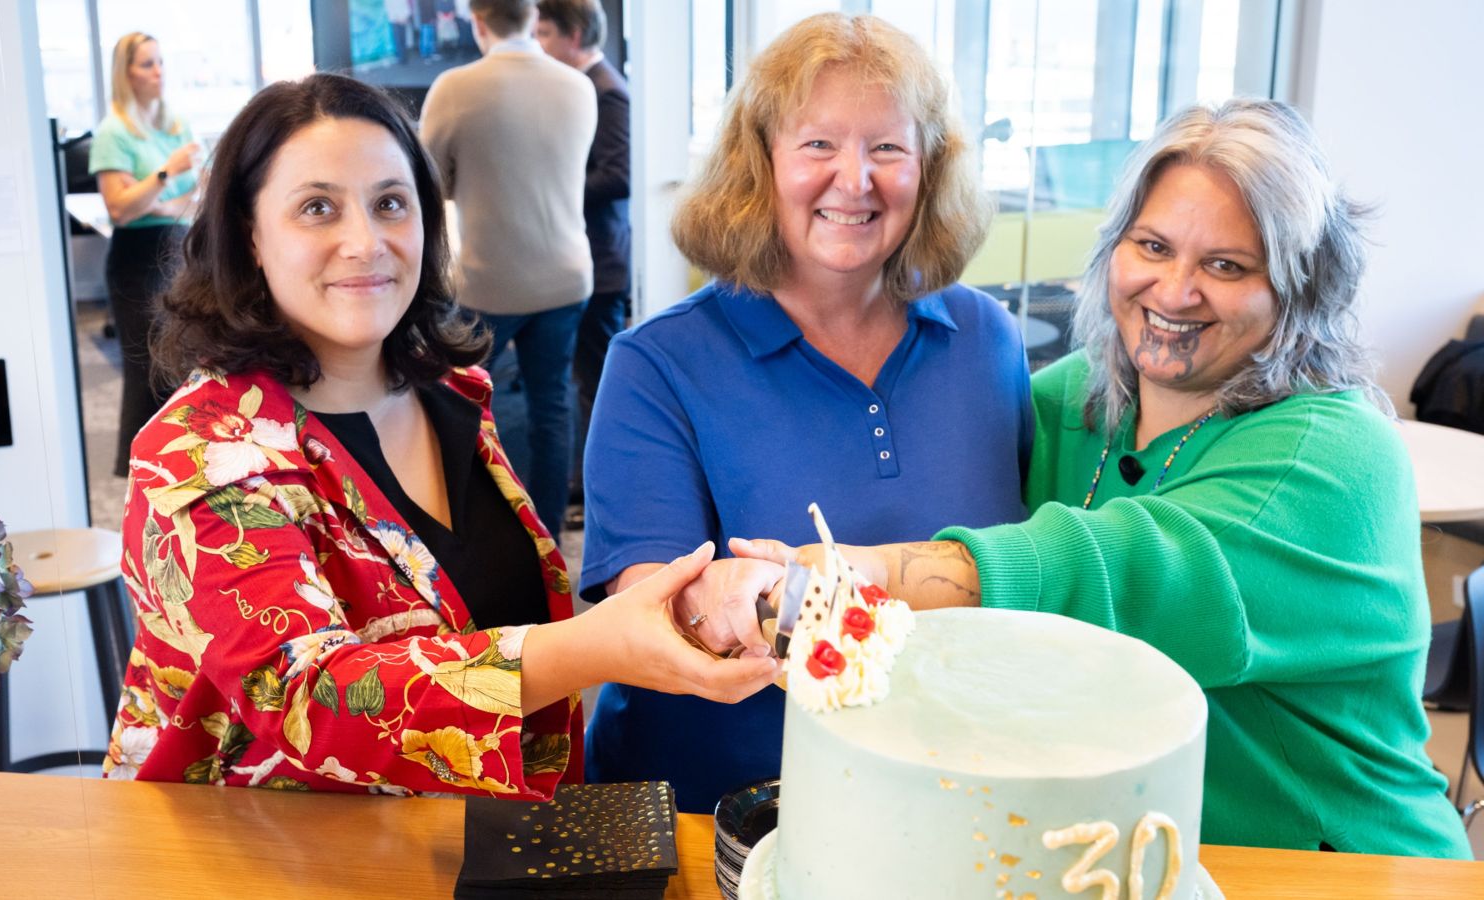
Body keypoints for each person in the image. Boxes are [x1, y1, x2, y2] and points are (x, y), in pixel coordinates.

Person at [728, 98, 1473, 858]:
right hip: (1126, 858)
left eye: (1228, 266)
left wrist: (865, 572)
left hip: (1329, 867)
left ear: (1299, 290)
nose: (1176, 291)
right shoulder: (1073, 402)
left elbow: (1120, 567)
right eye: (1152, 246)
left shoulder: (1338, 456)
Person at [103, 73, 776, 795]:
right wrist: (593, 647)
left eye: (391, 203)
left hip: (451, 842)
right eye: (317, 208)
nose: (364, 242)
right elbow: (309, 700)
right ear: (250, 237)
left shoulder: (452, 395)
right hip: (261, 854)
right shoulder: (201, 452)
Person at [579, 13, 1033, 814]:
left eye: (887, 148)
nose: (854, 179)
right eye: (818, 145)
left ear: (929, 169)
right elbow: (649, 609)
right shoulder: (657, 363)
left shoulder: (987, 339)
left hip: (954, 789)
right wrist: (732, 598)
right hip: (718, 811)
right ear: (759, 165)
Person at [419, 0, 596, 539]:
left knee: (461, 406)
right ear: (531, 15)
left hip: (489, 281)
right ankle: (546, 534)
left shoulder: (454, 87)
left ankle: (476, 530)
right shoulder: (577, 86)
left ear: (478, 22)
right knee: (551, 406)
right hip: (567, 276)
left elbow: (429, 186)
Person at [90, 32, 201, 478]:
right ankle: (142, 473)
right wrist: (164, 174)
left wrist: (161, 201)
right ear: (126, 73)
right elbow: (120, 208)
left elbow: (200, 192)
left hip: (181, 250)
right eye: (146, 64)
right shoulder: (114, 132)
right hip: (137, 260)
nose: (158, 71)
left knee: (187, 365)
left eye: (160, 62)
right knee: (146, 374)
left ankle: (186, 469)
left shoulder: (177, 124)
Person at [535, 0, 631, 512]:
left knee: (598, 387)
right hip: (591, 257)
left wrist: (552, 187)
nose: (539, 45)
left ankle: (600, 493)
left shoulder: (607, 93)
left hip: (604, 263)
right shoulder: (584, 89)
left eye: (545, 33)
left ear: (573, 35)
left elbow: (620, 174)